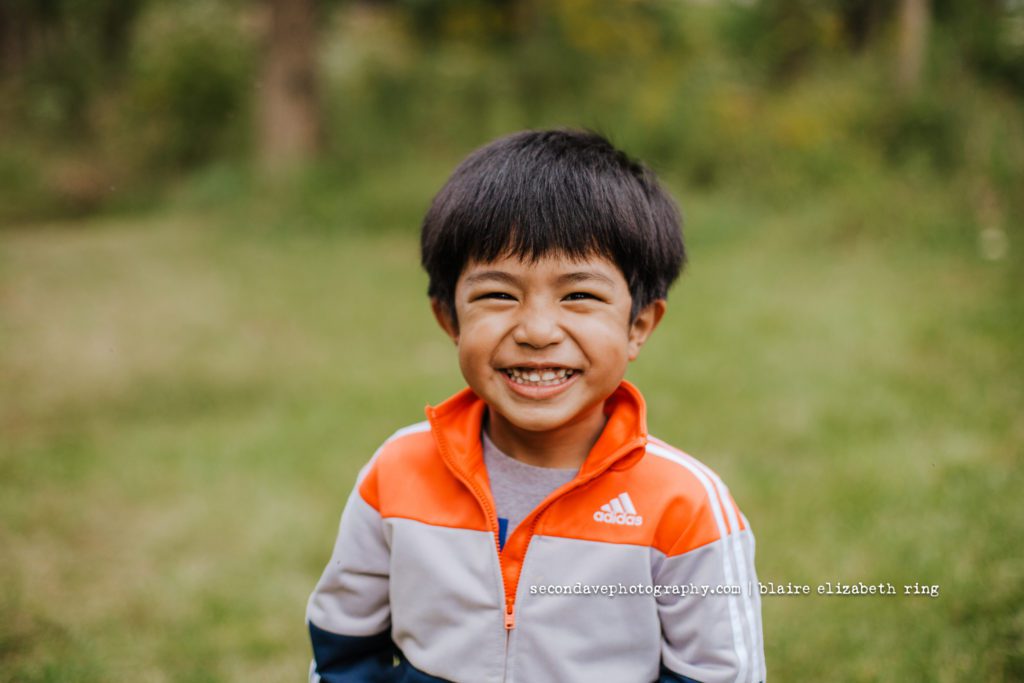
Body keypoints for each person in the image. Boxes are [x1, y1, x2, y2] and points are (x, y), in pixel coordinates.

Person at [306, 129, 766, 683]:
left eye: (579, 296)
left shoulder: (685, 505)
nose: (538, 331)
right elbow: (343, 644)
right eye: (499, 294)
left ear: (638, 326)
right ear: (449, 319)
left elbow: (719, 674)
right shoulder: (396, 473)